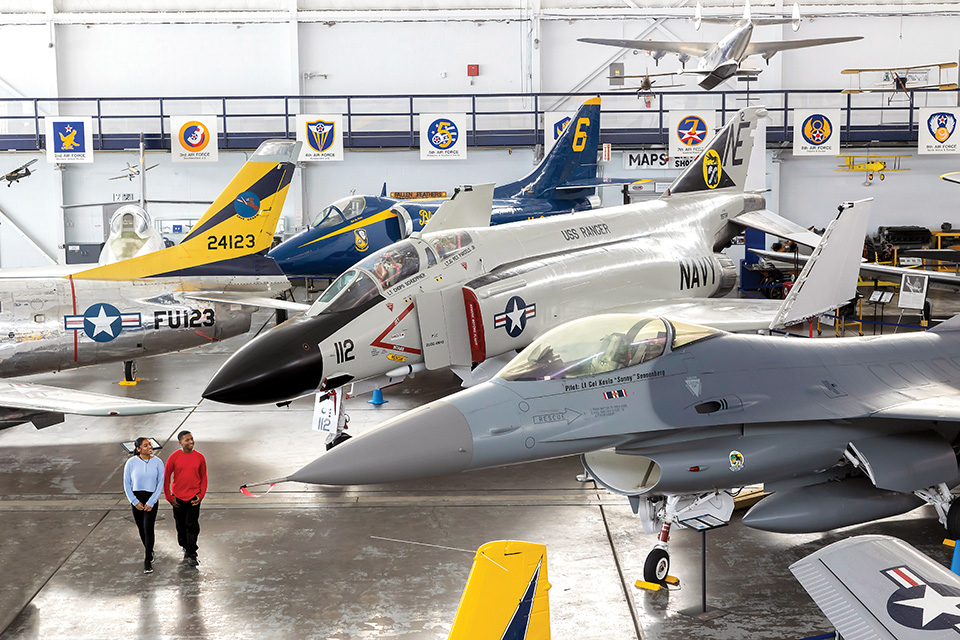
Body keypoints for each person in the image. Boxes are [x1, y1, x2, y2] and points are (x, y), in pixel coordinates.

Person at [163, 430, 207, 567]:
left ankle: (192, 552)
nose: (191, 442)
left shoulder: (200, 457)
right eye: (187, 440)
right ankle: (185, 545)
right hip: (178, 498)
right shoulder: (174, 457)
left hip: (194, 497)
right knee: (180, 525)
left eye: (192, 439)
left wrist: (201, 495)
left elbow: (204, 478)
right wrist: (169, 497)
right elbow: (166, 478)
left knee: (192, 525)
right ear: (180, 442)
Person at [123, 437, 164, 574]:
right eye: (145, 445)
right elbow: (127, 483)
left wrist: (151, 501)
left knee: (148, 527)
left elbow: (160, 483)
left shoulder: (158, 462)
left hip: (151, 498)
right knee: (141, 528)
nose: (149, 447)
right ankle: (149, 548)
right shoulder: (131, 463)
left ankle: (147, 559)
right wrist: (134, 501)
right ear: (138, 449)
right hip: (137, 498)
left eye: (150, 445)